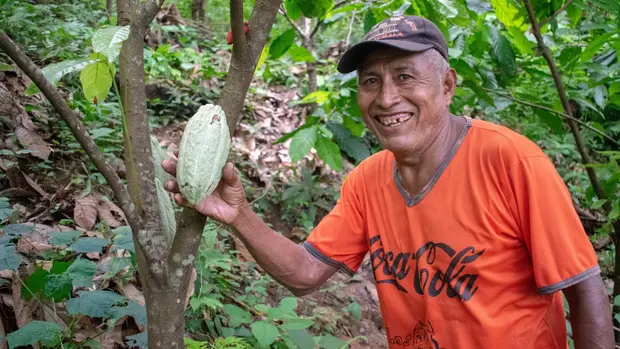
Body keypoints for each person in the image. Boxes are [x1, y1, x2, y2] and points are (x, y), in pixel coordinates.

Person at [162, 15, 614, 349]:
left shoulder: (510, 160)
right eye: (371, 81)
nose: (386, 98)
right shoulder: (368, 180)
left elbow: (583, 285)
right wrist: (236, 213)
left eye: (404, 77)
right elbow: (304, 274)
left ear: (448, 85)